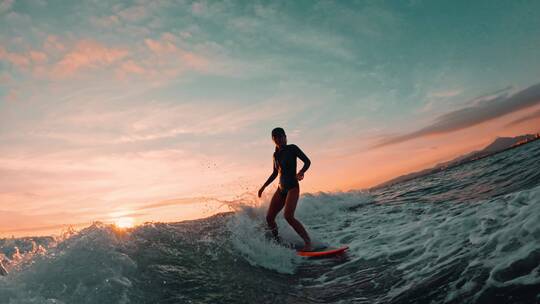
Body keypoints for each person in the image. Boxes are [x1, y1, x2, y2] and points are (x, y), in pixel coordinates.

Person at [258, 127, 312, 251]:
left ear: (286, 137)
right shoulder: (275, 155)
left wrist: (301, 172)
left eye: (282, 137)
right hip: (280, 189)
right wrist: (263, 187)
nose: (280, 139)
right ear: (273, 140)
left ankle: (308, 242)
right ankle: (277, 241)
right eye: (277, 138)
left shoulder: (292, 148)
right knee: (269, 218)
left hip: (293, 187)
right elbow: (275, 173)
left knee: (288, 216)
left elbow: (307, 161)